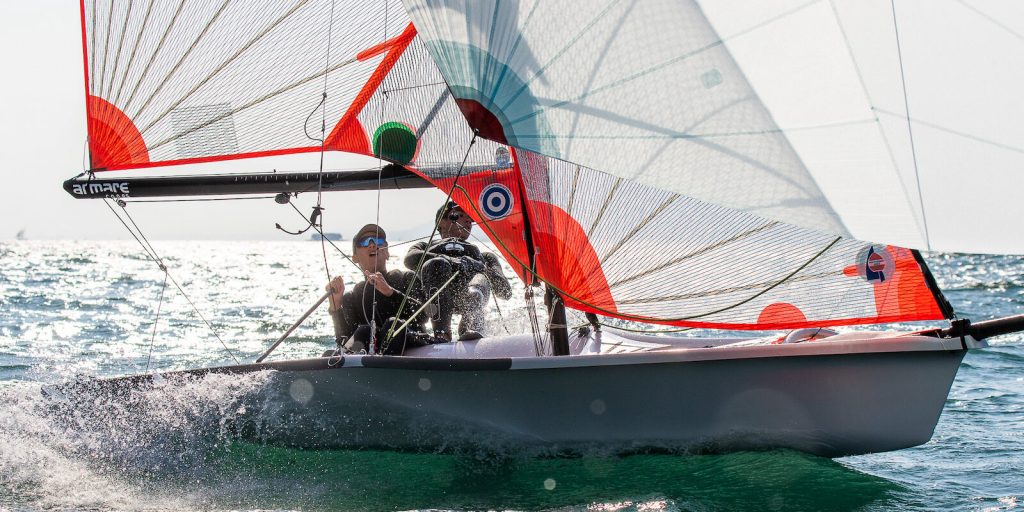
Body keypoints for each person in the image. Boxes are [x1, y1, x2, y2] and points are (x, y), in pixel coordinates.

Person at [404, 201, 513, 341]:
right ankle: (442, 333)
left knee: (478, 283)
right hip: (435, 294)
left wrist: (479, 267)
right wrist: (451, 260)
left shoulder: (485, 257)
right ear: (441, 223)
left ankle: (470, 328)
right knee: (437, 264)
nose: (467, 220)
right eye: (459, 215)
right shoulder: (424, 246)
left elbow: (506, 292)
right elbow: (409, 260)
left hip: (469, 293)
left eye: (470, 218)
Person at [326, 224, 434, 355]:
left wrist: (391, 293)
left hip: (412, 340)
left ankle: (386, 364)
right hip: (373, 351)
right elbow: (344, 340)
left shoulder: (406, 278)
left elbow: (424, 316)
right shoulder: (353, 297)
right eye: (365, 242)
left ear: (387, 252)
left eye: (378, 240)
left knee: (392, 324)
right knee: (364, 331)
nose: (372, 245)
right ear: (355, 258)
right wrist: (336, 306)